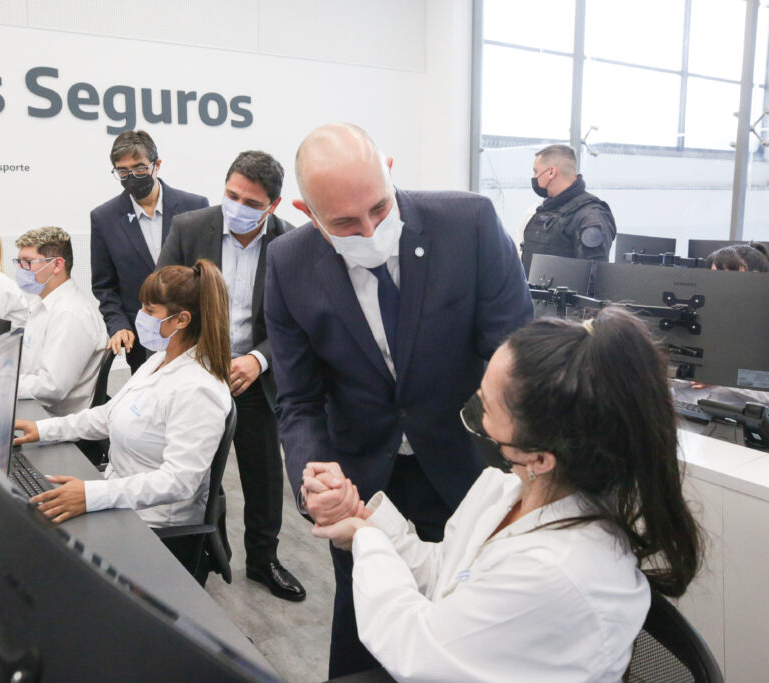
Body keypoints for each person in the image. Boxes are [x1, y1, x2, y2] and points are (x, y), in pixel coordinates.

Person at [263, 122, 534, 677]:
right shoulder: (288, 263)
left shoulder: (470, 224)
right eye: (344, 222)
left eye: (379, 210)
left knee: (468, 635)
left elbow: (518, 357)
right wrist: (317, 480)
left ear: (388, 170)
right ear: (306, 211)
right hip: (362, 483)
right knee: (366, 633)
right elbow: (298, 399)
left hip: (472, 470)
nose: (368, 229)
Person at [305, 308, 704, 681]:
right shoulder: (511, 488)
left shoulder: (555, 568)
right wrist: (364, 520)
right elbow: (447, 574)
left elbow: (413, 647)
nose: (475, 409)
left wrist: (369, 541)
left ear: (541, 457)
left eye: (488, 406)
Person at [12, 261, 233, 573]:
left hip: (153, 529)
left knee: (36, 550)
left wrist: (91, 495)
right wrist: (44, 429)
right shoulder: (159, 360)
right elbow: (110, 415)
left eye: (150, 310)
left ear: (182, 319)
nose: (139, 317)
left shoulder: (198, 389)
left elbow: (179, 481)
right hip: (121, 502)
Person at [157, 151, 305, 602]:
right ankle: (208, 550)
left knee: (263, 476)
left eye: (251, 202)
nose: (237, 206)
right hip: (196, 371)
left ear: (273, 206)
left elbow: (300, 322)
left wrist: (259, 359)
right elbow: (164, 295)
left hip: (255, 378)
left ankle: (263, 560)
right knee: (200, 470)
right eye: (231, 195)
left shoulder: (292, 244)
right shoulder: (190, 228)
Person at [91, 130, 210, 373]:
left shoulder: (195, 207)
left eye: (139, 168)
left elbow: (209, 274)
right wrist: (118, 325)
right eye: (122, 171)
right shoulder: (104, 218)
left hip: (195, 334)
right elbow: (105, 286)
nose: (131, 176)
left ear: (157, 165)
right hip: (142, 339)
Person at [14, 226, 107, 417]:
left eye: (27, 262)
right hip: (36, 407)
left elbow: (52, 387)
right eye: (19, 261)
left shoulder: (70, 314)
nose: (20, 269)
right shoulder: (41, 302)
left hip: (53, 419)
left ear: (56, 265)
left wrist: (5, 385)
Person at [521, 143, 617, 274]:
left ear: (551, 172)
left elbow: (594, 278)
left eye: (536, 171)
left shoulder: (590, 216)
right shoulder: (546, 209)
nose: (534, 177)